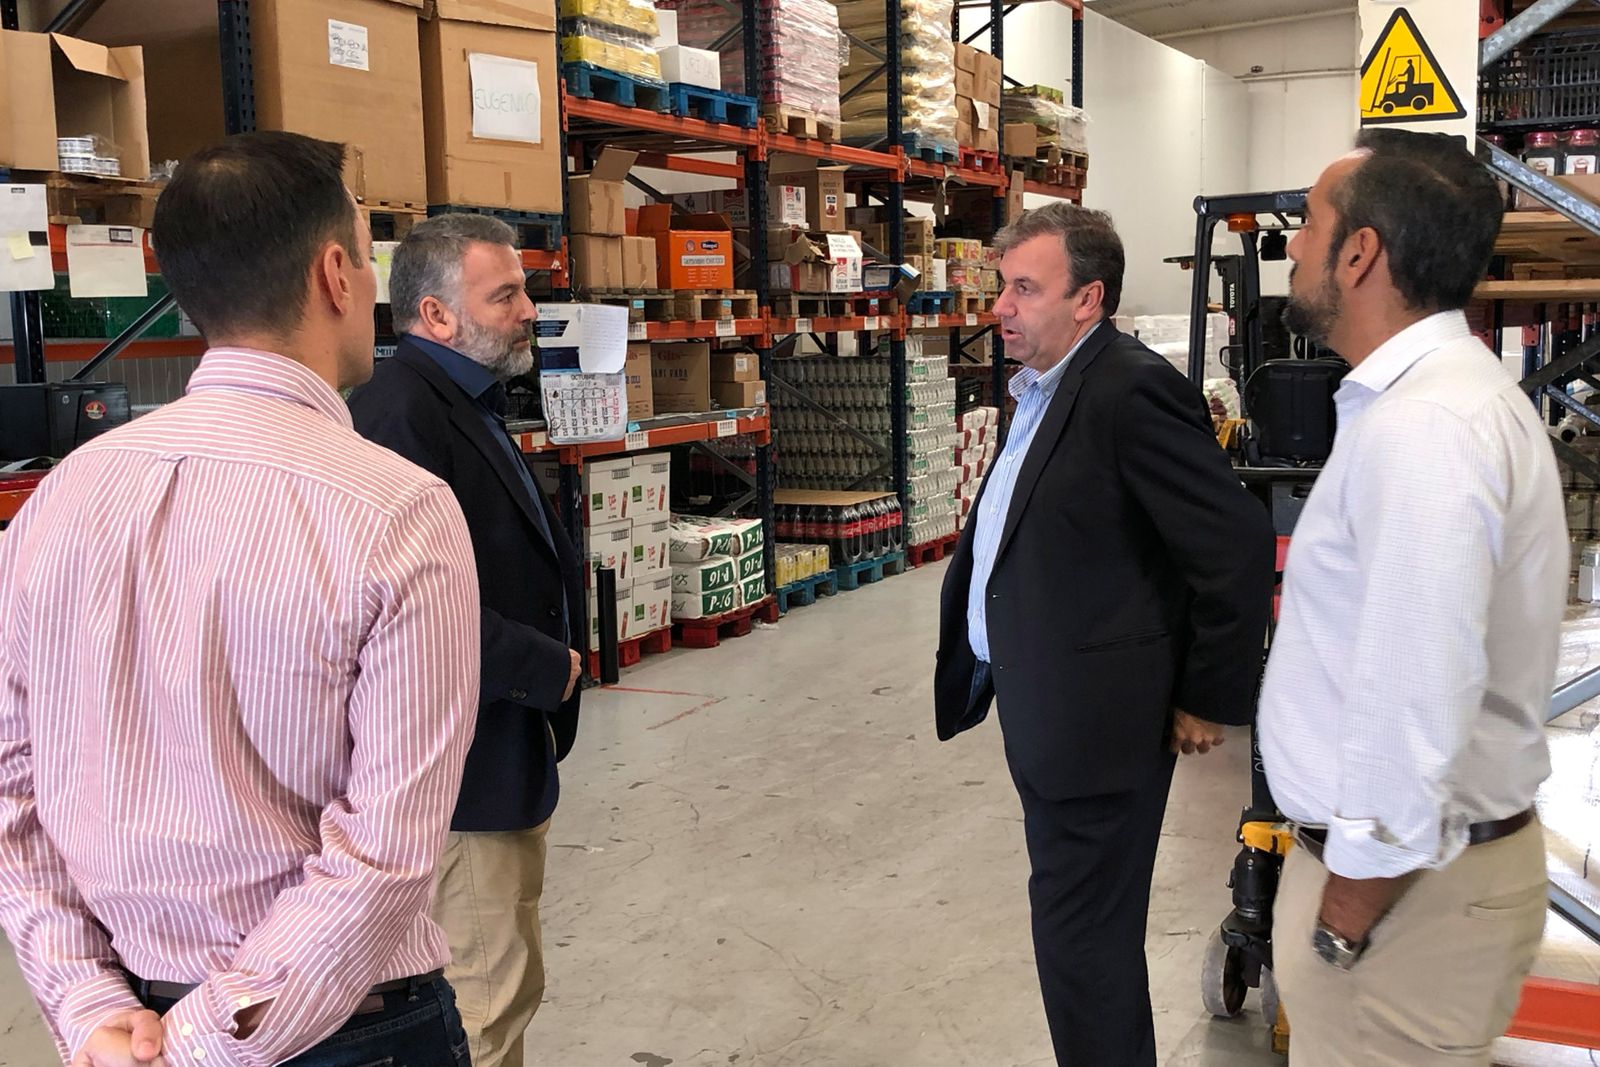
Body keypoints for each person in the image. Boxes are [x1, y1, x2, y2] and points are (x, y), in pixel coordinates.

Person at [0, 131, 481, 1066]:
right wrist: (204, 1041)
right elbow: (384, 853)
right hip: (343, 1033)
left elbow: (11, 778)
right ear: (336, 274)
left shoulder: (60, 497)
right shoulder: (397, 510)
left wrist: (89, 1001)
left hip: (124, 1026)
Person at [933, 202, 1276, 1065]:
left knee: (1083, 942)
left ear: (1088, 299)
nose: (1001, 308)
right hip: (1054, 708)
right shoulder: (1044, 387)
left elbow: (1231, 540)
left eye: (1023, 288)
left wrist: (1207, 694)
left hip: (1099, 726)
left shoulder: (1126, 387)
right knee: (1079, 934)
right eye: (1002, 286)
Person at [1260, 129, 1566, 1067]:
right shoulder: (1429, 402)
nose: (1294, 246)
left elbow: (1414, 686)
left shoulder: (1427, 426)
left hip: (1402, 907)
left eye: (1309, 224)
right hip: (1415, 889)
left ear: (1361, 253)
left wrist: (1345, 910)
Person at [349, 214, 584, 1067]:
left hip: (500, 745)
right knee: (483, 1001)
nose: (529, 309)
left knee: (501, 985)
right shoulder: (400, 413)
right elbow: (407, 606)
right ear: (436, 315)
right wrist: (547, 667)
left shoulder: (462, 399)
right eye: (507, 294)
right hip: (463, 765)